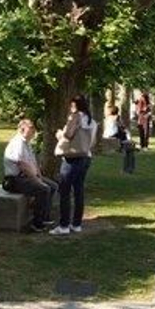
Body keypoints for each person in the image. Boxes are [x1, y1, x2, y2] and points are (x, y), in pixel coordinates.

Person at [52, 96, 97, 235]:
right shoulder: (92, 121)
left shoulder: (75, 117)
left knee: (65, 190)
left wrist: (60, 134)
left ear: (75, 105)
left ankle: (64, 225)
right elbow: (92, 142)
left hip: (72, 157)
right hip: (86, 156)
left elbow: (69, 135)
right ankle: (76, 223)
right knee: (79, 190)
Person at [3, 120, 58, 233]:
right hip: (14, 180)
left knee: (53, 186)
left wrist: (40, 176)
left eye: (33, 129)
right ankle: (37, 223)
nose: (33, 132)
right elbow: (22, 165)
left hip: (26, 176)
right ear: (21, 130)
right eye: (30, 129)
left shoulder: (27, 143)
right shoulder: (17, 143)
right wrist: (36, 180)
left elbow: (33, 163)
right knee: (43, 189)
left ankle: (44, 217)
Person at [105, 106, 136, 174]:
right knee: (129, 148)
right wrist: (128, 134)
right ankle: (129, 168)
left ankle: (128, 168)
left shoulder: (107, 118)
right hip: (115, 135)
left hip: (109, 135)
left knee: (128, 146)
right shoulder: (116, 117)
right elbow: (122, 127)